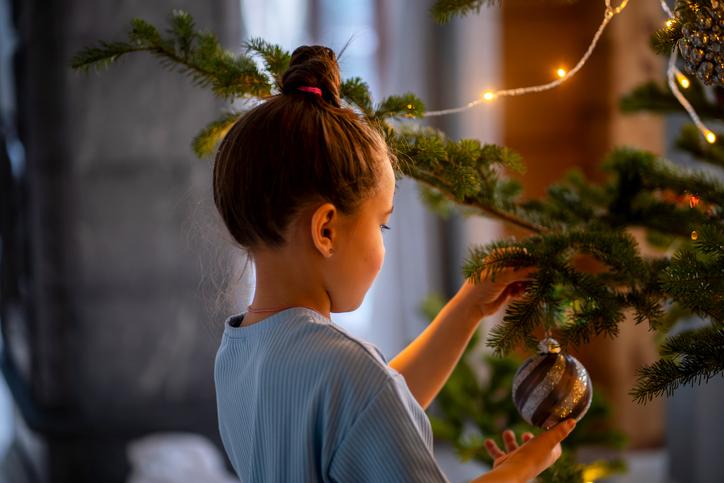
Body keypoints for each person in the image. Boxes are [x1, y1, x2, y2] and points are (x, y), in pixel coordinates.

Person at [212, 45, 576, 483]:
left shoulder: (238, 353)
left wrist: (467, 308)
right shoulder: (347, 372)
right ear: (326, 230)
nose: (383, 245)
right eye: (381, 226)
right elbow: (368, 401)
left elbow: (367, 415)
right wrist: (522, 468)